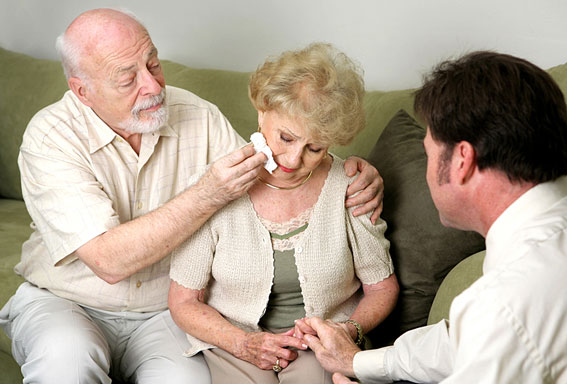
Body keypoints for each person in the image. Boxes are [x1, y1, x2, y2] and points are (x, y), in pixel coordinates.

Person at [0, 9, 385, 384]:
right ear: (83, 90)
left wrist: (352, 172)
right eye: (127, 78)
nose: (152, 86)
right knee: (65, 367)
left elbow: (272, 173)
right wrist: (206, 194)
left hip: (162, 314)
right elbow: (109, 261)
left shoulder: (196, 115)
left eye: (152, 64)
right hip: (66, 301)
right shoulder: (50, 138)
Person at [298, 51, 567, 384]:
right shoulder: (546, 249)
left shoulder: (508, 300)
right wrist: (358, 362)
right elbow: (460, 341)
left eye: (429, 152)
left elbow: (496, 326)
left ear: (462, 161)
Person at [168, 42, 399, 384]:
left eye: (315, 148)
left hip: (320, 344)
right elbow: (183, 301)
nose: (293, 160)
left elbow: (382, 287)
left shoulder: (350, 186)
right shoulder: (215, 185)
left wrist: (345, 331)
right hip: (234, 342)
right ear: (262, 113)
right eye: (286, 138)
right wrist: (243, 342)